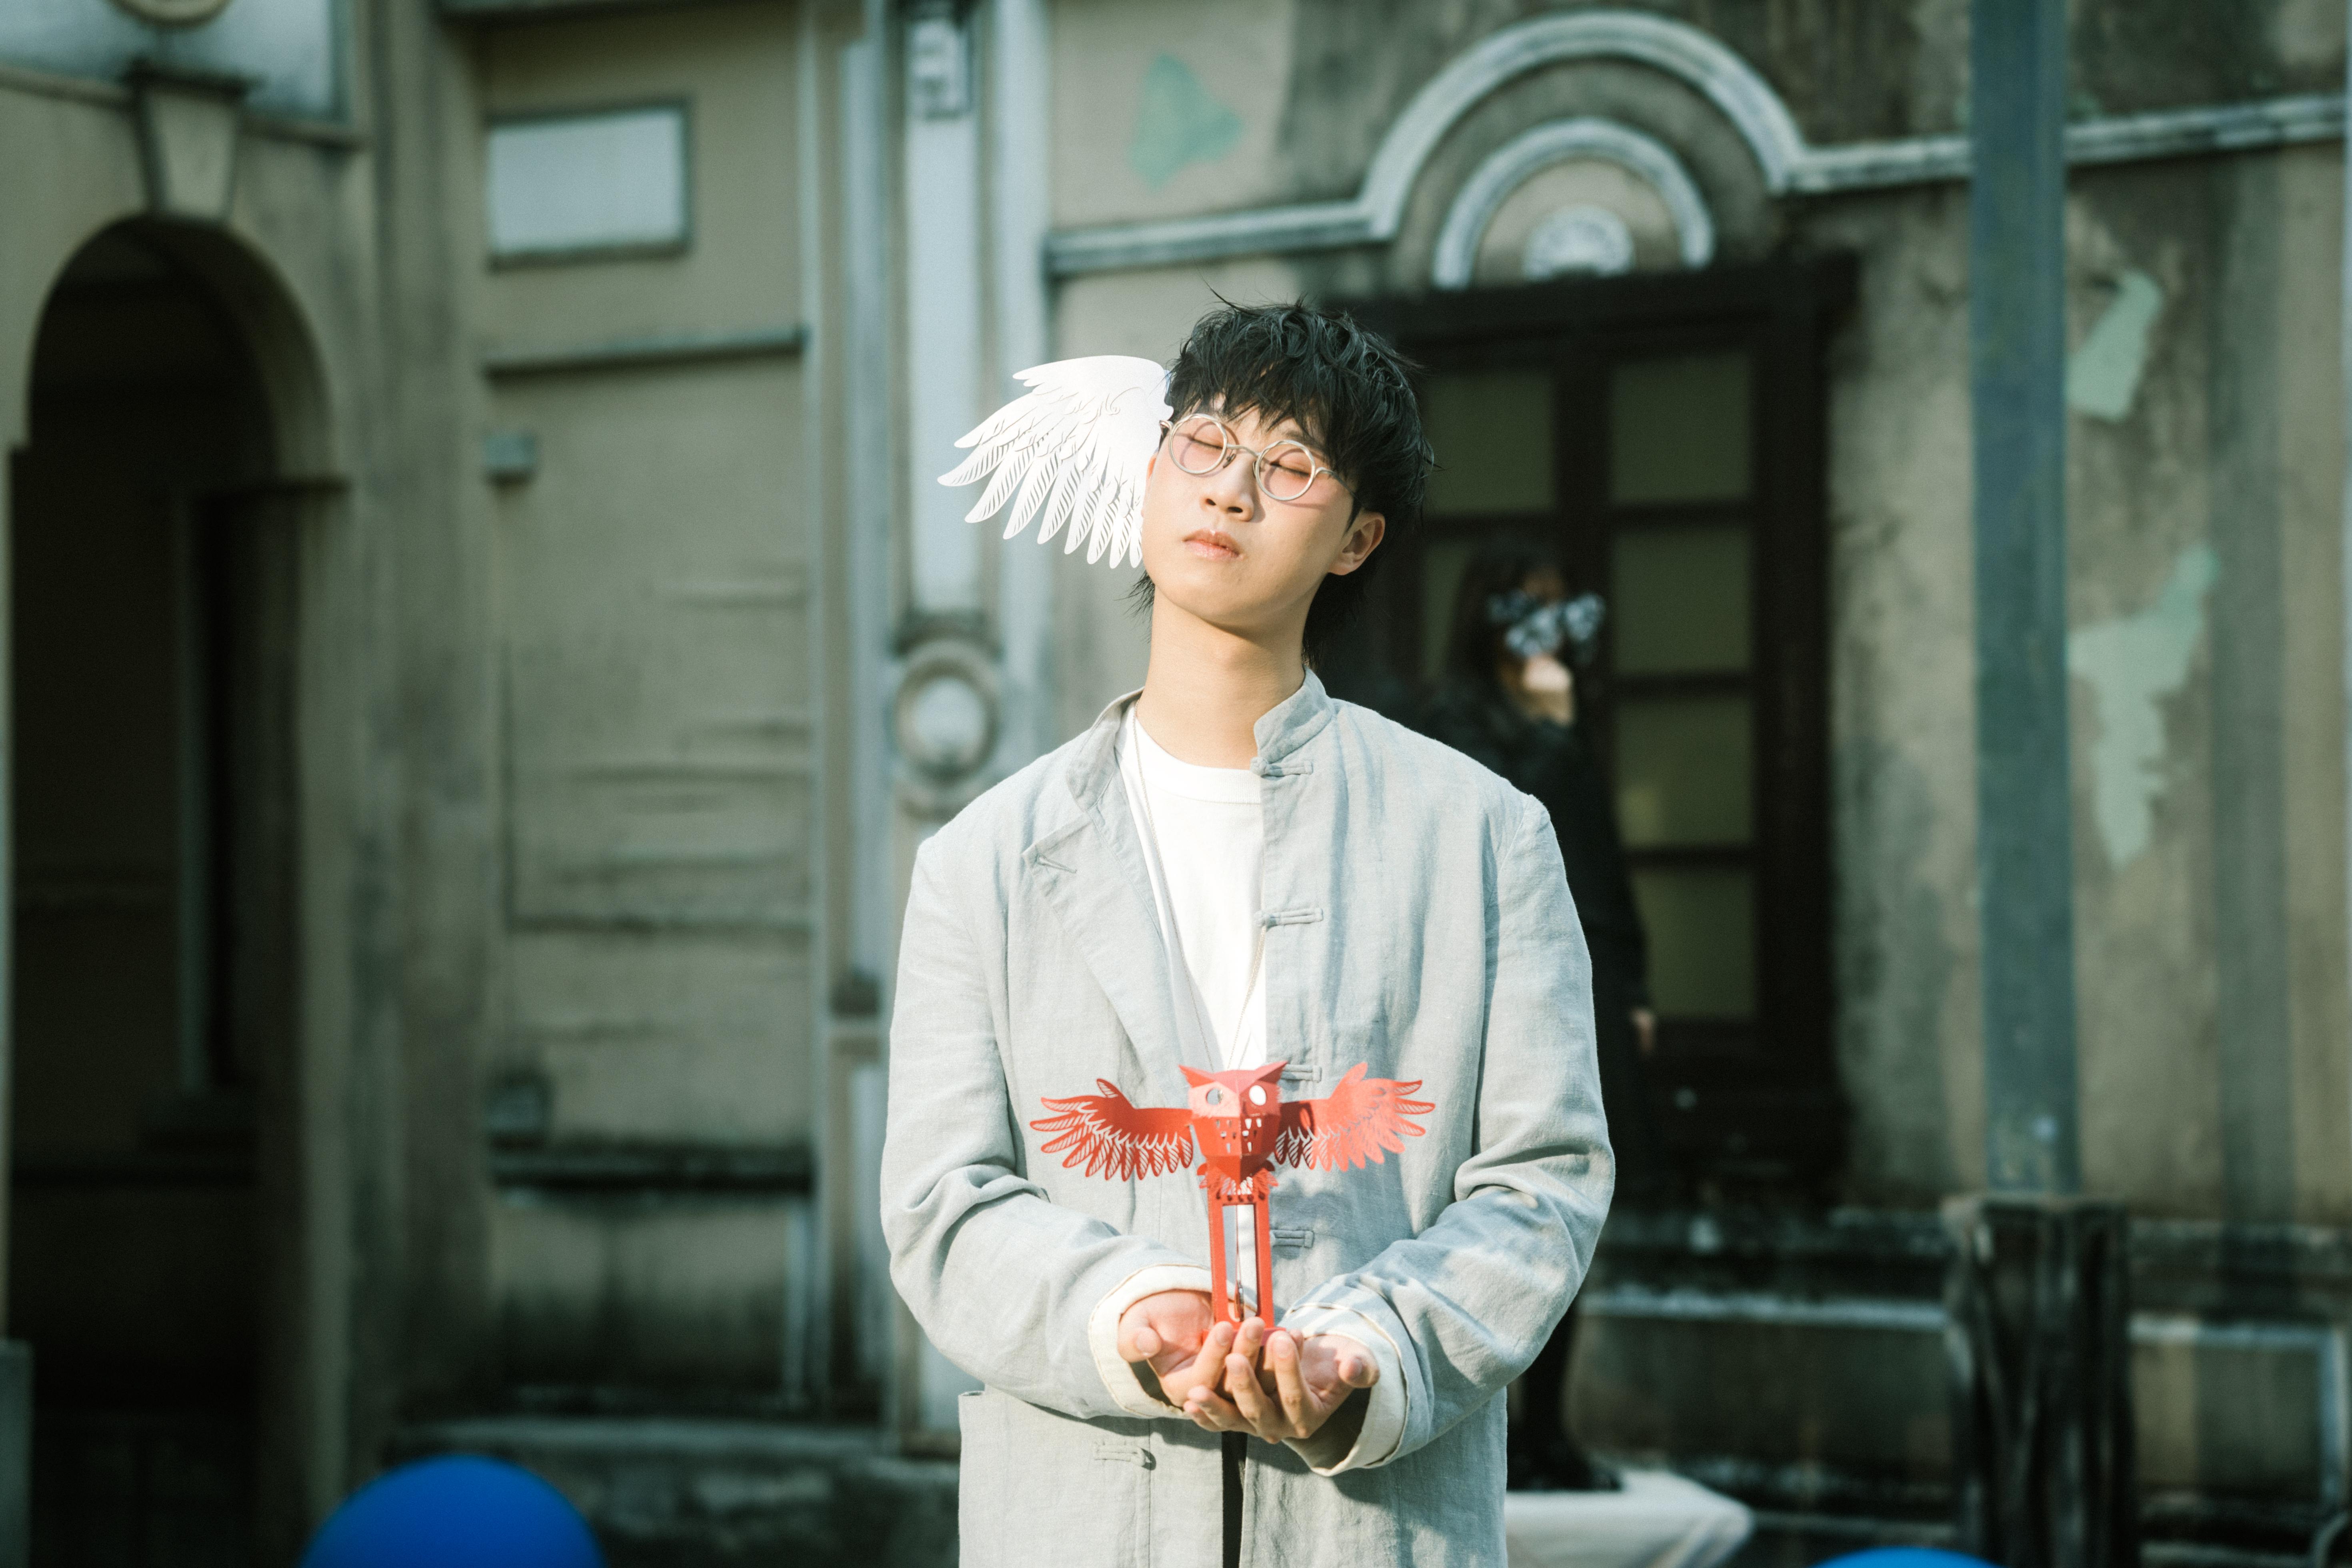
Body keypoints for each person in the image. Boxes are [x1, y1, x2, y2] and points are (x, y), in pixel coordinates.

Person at [880, 302, 1613, 1568]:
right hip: (1081, 1524)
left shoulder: (1485, 837)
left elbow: (1541, 1184)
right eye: (1206, 444)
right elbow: (945, 1202)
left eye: (1291, 465)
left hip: (1374, 1530)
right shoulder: (983, 860)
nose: (1231, 490)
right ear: (1155, 466)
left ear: (1358, 538)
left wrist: (1371, 1350)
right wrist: (1131, 1313)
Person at [1416, 540, 1667, 1492]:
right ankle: (1487, 1422)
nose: (1546, 629)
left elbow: (1599, 862)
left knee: (1567, 1210)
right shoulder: (1452, 723)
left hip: (1582, 982)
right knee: (1477, 1205)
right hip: (1484, 985)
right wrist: (1555, 732)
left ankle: (1549, 1430)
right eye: (1527, 606)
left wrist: (1633, 989)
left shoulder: (1557, 716)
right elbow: (1512, 840)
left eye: (1559, 606)